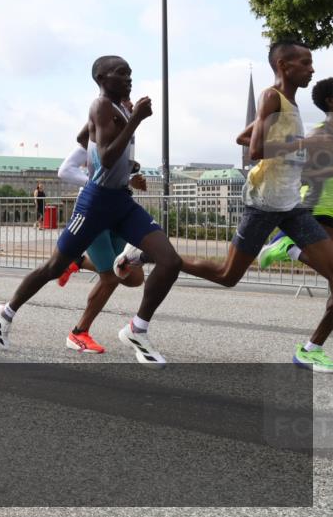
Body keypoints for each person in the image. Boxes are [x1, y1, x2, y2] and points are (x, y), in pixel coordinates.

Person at [117, 43, 333, 371]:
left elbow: (242, 138)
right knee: (226, 275)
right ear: (284, 65)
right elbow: (256, 150)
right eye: (305, 62)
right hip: (264, 203)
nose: (312, 69)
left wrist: (296, 149)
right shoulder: (271, 96)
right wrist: (307, 143)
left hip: (290, 203)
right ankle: (147, 255)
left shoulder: (289, 103)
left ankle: (309, 350)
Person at [0, 56, 182, 366]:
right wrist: (135, 121)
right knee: (53, 268)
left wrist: (127, 165)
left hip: (120, 201)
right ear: (102, 78)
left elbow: (87, 140)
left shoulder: (119, 108)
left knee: (170, 260)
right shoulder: (101, 105)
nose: (129, 78)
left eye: (130, 72)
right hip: (94, 204)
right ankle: (4, 312)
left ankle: (137, 329)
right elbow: (105, 159)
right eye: (121, 73)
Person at [54, 109, 145, 353]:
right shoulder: (98, 136)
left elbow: (119, 175)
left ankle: (78, 262)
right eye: (124, 100)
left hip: (117, 211)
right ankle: (79, 332)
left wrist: (131, 180)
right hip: (93, 210)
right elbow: (64, 171)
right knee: (111, 277)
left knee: (134, 278)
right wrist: (96, 185)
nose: (129, 104)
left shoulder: (127, 138)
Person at [256, 77, 333, 270]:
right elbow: (300, 172)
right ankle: (288, 247)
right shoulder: (318, 135)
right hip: (321, 208)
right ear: (330, 101)